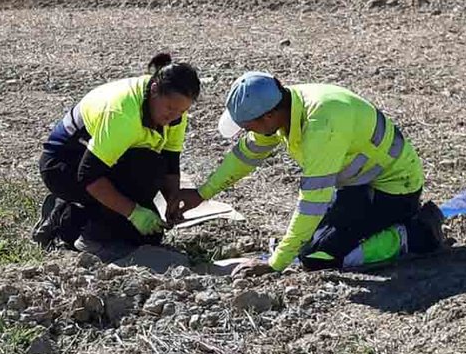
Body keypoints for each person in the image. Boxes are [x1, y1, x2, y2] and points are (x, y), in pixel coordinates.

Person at [180, 72, 443, 274]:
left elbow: (312, 202)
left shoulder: (321, 126)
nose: (249, 133)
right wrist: (203, 193)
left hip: (394, 190)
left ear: (268, 117)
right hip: (358, 183)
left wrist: (274, 264)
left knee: (319, 258)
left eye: (249, 126)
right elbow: (247, 154)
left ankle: (417, 232)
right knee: (307, 245)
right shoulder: (285, 108)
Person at [34, 53, 201, 257]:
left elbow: (170, 159)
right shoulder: (123, 114)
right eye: (170, 109)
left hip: (103, 163)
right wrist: (134, 213)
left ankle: (70, 216)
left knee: (148, 236)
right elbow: (88, 174)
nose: (174, 116)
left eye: (181, 111)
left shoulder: (173, 113)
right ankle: (91, 237)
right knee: (147, 167)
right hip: (64, 166)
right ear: (155, 90)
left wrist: (172, 200)